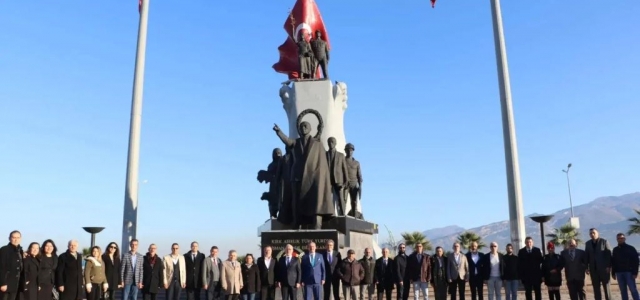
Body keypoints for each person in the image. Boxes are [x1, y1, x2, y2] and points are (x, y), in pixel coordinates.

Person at [273, 122, 334, 229]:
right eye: (301, 127)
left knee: (316, 202)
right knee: (296, 203)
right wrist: (279, 132)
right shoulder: (296, 142)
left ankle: (316, 225)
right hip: (298, 177)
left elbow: (322, 164)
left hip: (313, 179)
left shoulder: (317, 143)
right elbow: (287, 141)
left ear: (310, 129)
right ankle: (297, 224)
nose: (303, 128)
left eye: (306, 126)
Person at [585, 228, 612, 300]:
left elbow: (609, 255)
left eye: (594, 233)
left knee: (607, 288)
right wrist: (586, 268)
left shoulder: (604, 241)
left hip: (604, 270)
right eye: (591, 233)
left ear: (598, 233)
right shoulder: (587, 244)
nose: (592, 234)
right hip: (593, 270)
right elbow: (586, 256)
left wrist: (609, 266)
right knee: (596, 289)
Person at [611, 233, 639, 300]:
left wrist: (635, 272)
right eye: (619, 238)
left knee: (633, 289)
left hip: (629, 272)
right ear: (616, 239)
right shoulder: (615, 250)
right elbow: (613, 262)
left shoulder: (631, 248)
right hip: (619, 273)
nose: (620, 240)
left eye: (622, 238)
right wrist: (613, 273)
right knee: (623, 291)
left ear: (624, 239)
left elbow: (636, 261)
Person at [0, 230, 24, 300]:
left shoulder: (20, 251)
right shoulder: (4, 250)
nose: (16, 239)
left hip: (16, 284)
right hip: (6, 284)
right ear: (9, 238)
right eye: (13, 237)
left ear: (20, 239)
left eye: (18, 237)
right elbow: (1, 267)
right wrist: (2, 283)